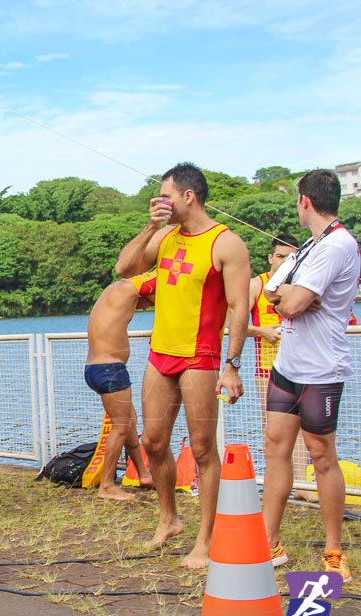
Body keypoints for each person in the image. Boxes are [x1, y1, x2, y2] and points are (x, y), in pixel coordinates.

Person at [115, 162, 250, 569]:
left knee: (204, 449)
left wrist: (232, 363)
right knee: (153, 442)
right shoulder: (165, 237)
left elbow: (240, 308)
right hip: (161, 354)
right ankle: (169, 517)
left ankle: (206, 540)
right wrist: (148, 227)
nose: (161, 201)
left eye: (166, 195)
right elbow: (124, 269)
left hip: (202, 356)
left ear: (188, 196)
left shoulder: (226, 244)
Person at [262, 169, 361, 581]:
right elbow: (272, 294)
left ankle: (334, 550)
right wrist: (292, 298)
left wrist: (293, 299)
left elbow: (289, 305)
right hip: (287, 366)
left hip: (321, 369)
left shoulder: (338, 245)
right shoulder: (308, 246)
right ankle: (268, 543)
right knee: (275, 449)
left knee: (321, 456)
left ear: (305, 201)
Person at [248, 235, 314, 503]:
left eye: (291, 257)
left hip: (303, 366)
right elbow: (234, 326)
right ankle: (275, 483)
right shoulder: (256, 284)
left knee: (304, 427)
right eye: (279, 256)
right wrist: (262, 331)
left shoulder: (302, 285)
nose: (285, 261)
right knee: (273, 429)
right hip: (267, 369)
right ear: (270, 257)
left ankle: (301, 483)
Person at [84, 271, 156, 501]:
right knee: (122, 427)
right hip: (109, 369)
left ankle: (144, 475)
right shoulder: (130, 289)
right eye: (148, 302)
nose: (144, 309)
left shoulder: (113, 290)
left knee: (129, 423)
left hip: (95, 369)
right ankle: (106, 486)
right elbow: (166, 277)